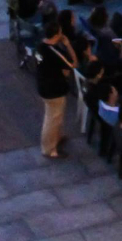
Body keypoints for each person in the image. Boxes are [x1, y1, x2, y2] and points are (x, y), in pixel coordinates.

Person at [36, 21, 80, 159]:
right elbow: (73, 64)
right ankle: (49, 149)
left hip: (43, 85)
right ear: (57, 34)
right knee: (52, 119)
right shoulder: (55, 52)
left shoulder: (40, 46)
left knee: (55, 116)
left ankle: (56, 137)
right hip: (54, 90)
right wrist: (67, 44)